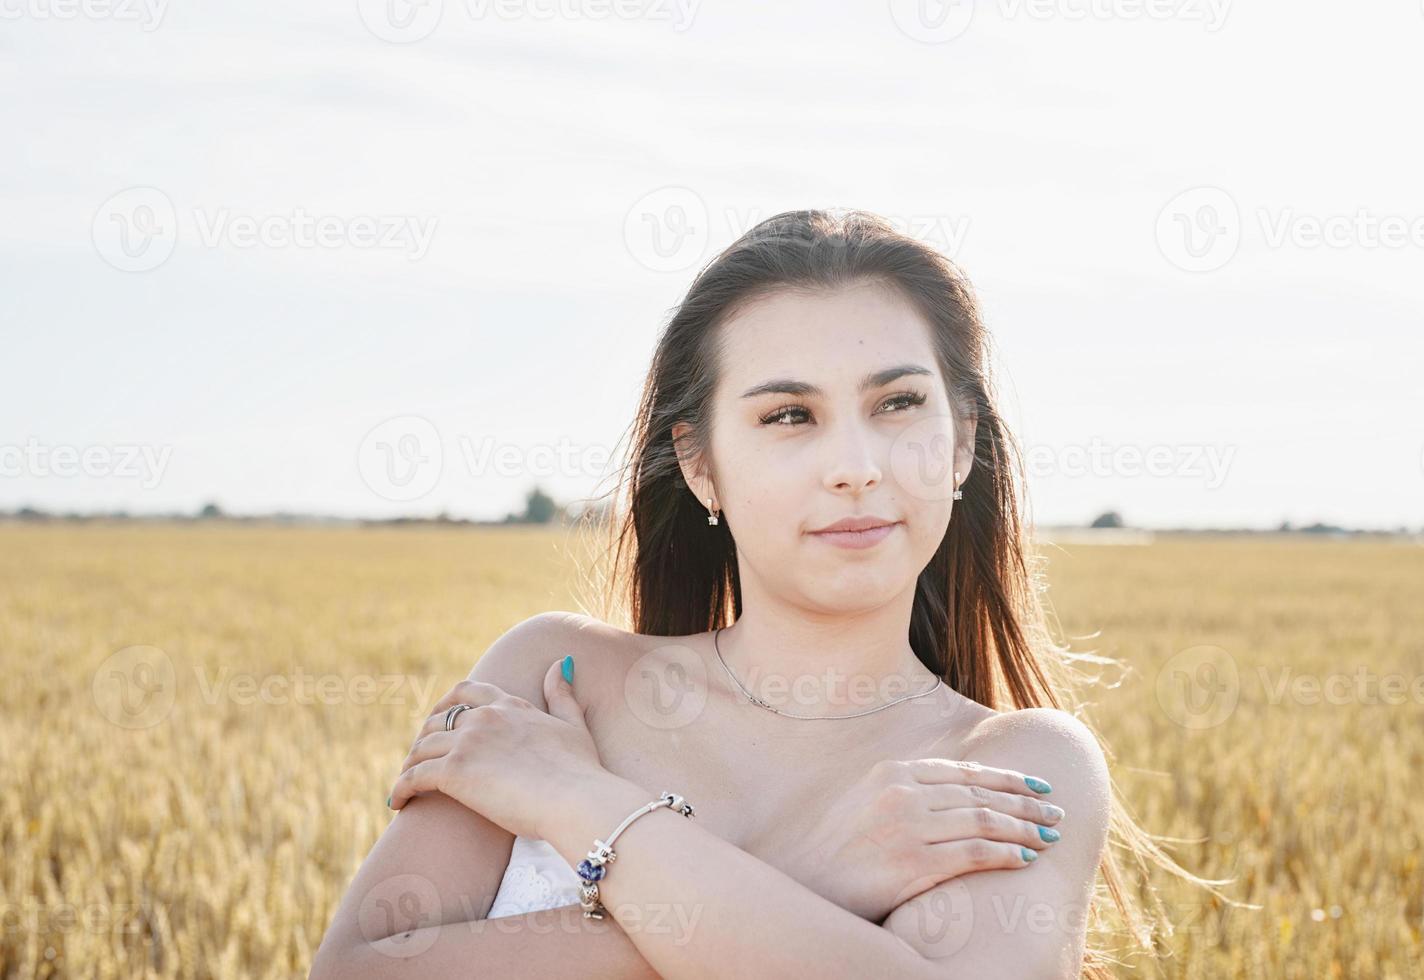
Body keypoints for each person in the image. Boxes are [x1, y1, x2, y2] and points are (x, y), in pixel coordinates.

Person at [311, 208, 1216, 979]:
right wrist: (814, 874)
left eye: (897, 404)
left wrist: (576, 803)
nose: (855, 468)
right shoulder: (557, 676)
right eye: (789, 416)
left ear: (961, 443)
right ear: (701, 465)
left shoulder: (1010, 767)